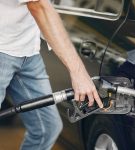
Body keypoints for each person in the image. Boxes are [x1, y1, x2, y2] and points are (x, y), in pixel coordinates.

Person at [0, 0, 103, 150]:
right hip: (2, 48)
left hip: (28, 51)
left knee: (46, 129)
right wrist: (79, 73)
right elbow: (39, 5)